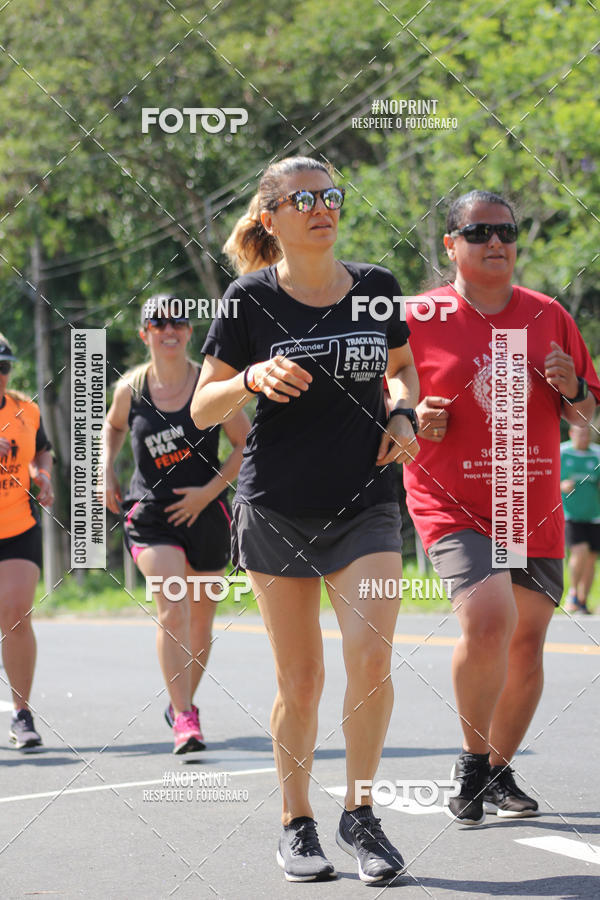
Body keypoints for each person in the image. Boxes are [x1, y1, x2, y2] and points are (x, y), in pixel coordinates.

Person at [191, 156, 420, 884]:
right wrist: (249, 378)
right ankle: (296, 820)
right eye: (304, 199)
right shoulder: (247, 299)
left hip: (367, 502)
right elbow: (200, 407)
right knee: (302, 679)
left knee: (374, 659)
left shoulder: (378, 287)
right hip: (277, 508)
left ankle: (362, 814)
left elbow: (404, 369)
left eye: (332, 195)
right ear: (271, 218)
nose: (323, 208)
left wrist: (406, 410)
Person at [403, 189, 600, 825]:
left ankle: (494, 771)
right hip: (451, 497)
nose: (497, 242)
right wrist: (411, 416)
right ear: (450, 245)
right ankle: (470, 761)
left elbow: (584, 414)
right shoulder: (416, 316)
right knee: (488, 619)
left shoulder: (547, 314)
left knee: (527, 644)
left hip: (528, 495)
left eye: (507, 231)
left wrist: (571, 389)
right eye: (480, 231)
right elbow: (385, 401)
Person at [103, 299, 250, 754]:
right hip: (152, 514)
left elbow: (245, 446)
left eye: (178, 322)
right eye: (158, 323)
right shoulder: (131, 387)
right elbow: (113, 428)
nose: (169, 330)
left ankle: (180, 699)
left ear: (190, 332)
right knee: (173, 606)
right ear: (143, 332)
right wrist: (106, 468)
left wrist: (207, 493)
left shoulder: (213, 385)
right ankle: (185, 718)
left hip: (206, 514)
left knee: (201, 622)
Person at [0, 333, 54, 751]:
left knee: (16, 614)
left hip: (17, 527)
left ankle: (21, 714)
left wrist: (42, 475)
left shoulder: (26, 411)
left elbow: (42, 452)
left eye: (3, 368)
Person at [560, 424, 600, 614]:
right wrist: (561, 485)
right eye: (580, 434)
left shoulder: (597, 454)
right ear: (571, 433)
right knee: (580, 551)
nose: (584, 438)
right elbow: (548, 479)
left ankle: (583, 600)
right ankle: (573, 594)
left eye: (587, 434)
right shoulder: (562, 453)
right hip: (570, 514)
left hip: (594, 514)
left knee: (591, 558)